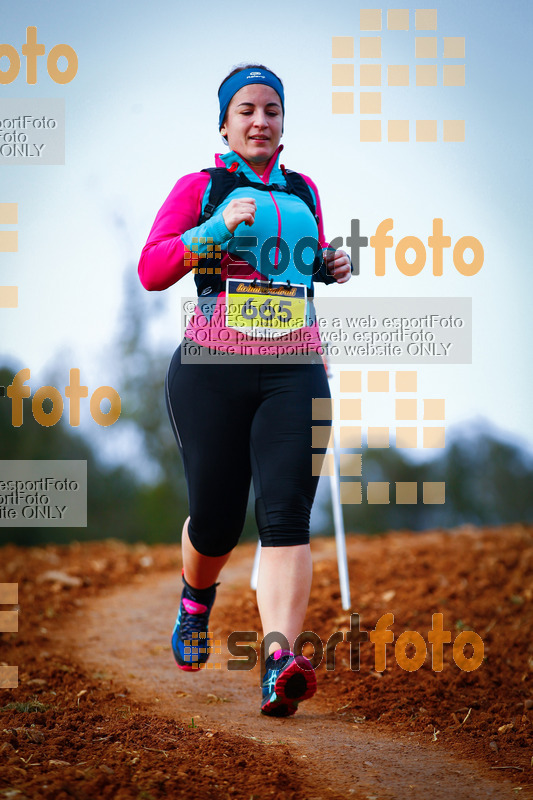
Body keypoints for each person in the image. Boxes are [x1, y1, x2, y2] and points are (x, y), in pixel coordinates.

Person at [138, 63, 351, 717]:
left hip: (294, 369)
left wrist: (326, 264)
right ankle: (194, 601)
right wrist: (213, 229)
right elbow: (151, 268)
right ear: (225, 124)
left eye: (272, 110)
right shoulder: (201, 187)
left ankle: (279, 659)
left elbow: (292, 267)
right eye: (247, 111)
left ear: (283, 120)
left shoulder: (305, 191)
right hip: (212, 370)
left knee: (287, 514)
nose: (261, 121)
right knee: (218, 520)